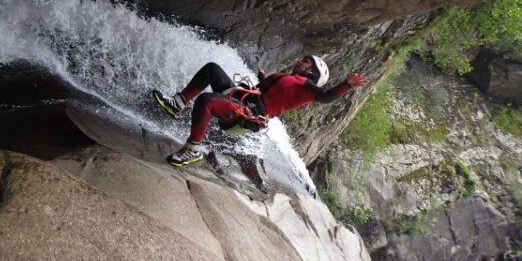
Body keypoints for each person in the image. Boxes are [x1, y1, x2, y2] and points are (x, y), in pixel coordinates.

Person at [152, 55, 367, 167]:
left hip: (250, 113)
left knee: (207, 101)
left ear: (311, 72)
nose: (299, 62)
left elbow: (326, 97)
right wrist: (262, 76)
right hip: (243, 99)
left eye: (304, 62)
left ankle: (192, 150)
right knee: (212, 69)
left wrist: (347, 85)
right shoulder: (287, 78)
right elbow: (266, 89)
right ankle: (177, 103)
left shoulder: (307, 88)